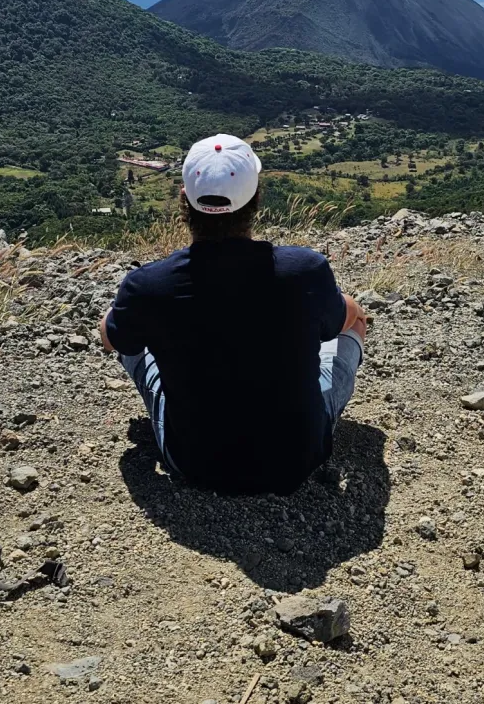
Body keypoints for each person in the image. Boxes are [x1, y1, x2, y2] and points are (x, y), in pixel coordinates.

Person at [99, 133, 366, 495]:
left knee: (130, 336)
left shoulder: (148, 285)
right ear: (256, 198)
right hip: (298, 459)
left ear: (184, 198)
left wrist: (128, 313)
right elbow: (345, 319)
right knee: (354, 321)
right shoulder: (306, 269)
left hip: (194, 464)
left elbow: (111, 340)